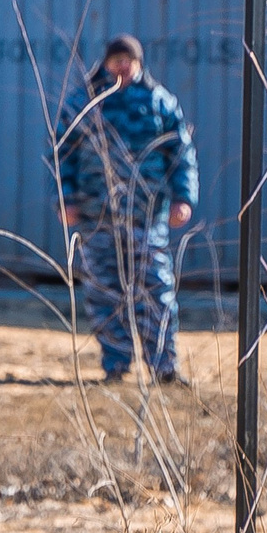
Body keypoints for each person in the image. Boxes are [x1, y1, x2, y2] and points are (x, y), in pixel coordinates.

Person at [55, 33, 198, 383]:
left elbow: (182, 155)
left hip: (147, 218)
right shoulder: (84, 102)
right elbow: (62, 154)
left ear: (139, 63)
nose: (122, 67)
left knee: (156, 292)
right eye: (116, 60)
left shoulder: (160, 102)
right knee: (105, 293)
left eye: (128, 60)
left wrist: (184, 199)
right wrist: (66, 199)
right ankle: (115, 367)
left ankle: (164, 368)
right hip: (97, 217)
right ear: (105, 63)